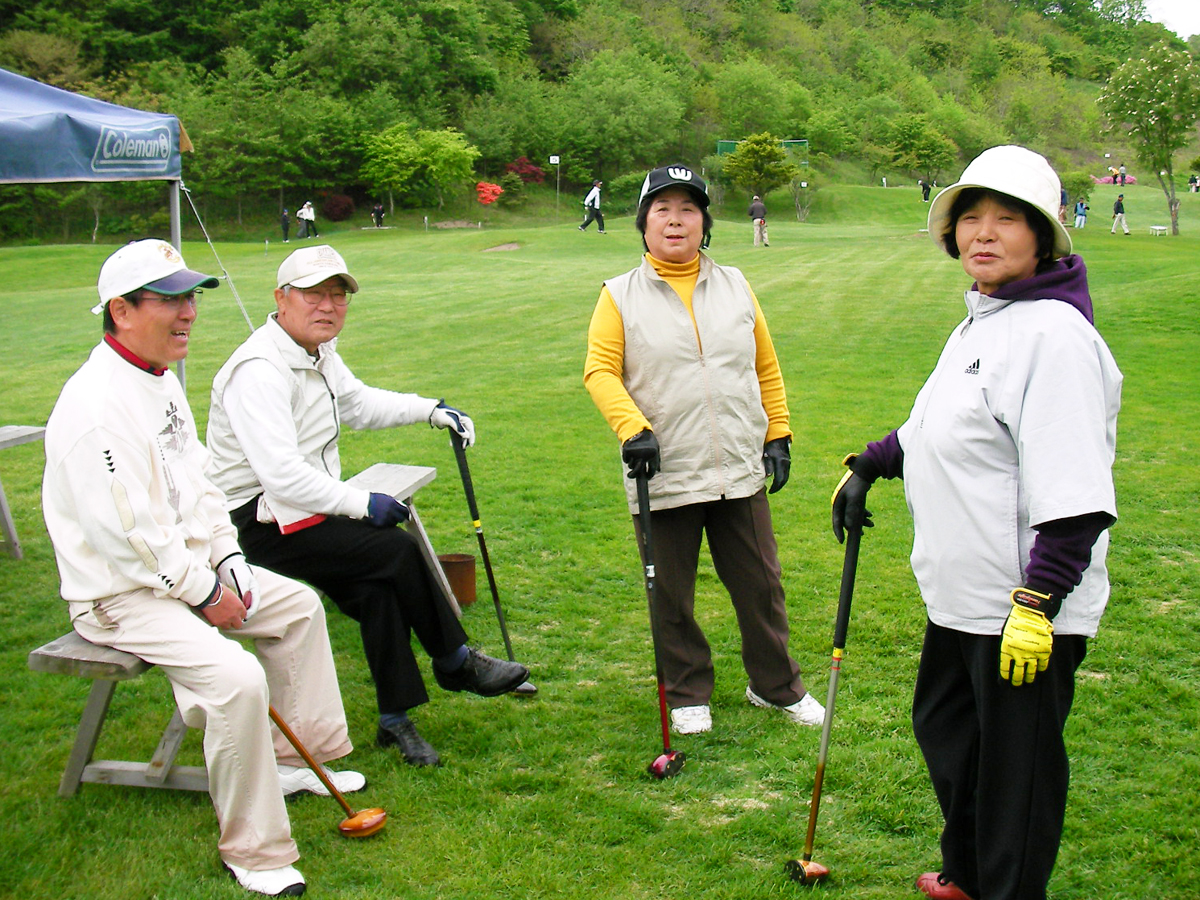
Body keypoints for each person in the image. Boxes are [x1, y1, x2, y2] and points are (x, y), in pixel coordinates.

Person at [830, 145, 1121, 900]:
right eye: (971, 218)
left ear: (1043, 236)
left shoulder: (1054, 336)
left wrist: (1037, 603)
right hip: (960, 597)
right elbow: (941, 424)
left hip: (1019, 608)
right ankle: (966, 874)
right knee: (951, 736)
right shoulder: (985, 320)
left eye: (1007, 219)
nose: (983, 233)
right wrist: (871, 464)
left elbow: (1076, 495)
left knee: (1015, 779)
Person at [42, 239, 365, 897]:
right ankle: (256, 852)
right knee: (234, 678)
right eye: (170, 300)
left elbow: (200, 483)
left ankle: (293, 759)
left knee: (297, 607)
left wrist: (228, 556)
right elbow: (128, 537)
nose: (188, 312)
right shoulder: (97, 406)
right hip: (119, 596)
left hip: (185, 570)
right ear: (121, 311)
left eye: (190, 298)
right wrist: (205, 591)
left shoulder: (157, 377)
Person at [206, 244, 529, 769]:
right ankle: (455, 662)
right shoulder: (259, 370)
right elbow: (280, 474)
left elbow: (356, 404)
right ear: (281, 299)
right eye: (313, 294)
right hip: (250, 525)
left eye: (338, 295)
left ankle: (394, 719)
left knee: (377, 585)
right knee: (394, 551)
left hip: (298, 510)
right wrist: (361, 503)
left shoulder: (317, 352)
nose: (328, 306)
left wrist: (431, 410)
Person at [584, 165, 824, 736]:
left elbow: (764, 365)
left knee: (761, 586)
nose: (676, 220)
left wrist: (778, 432)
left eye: (688, 209)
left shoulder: (736, 284)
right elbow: (600, 371)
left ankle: (776, 685)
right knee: (671, 593)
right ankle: (688, 691)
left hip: (737, 463)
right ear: (644, 222)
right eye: (662, 209)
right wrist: (632, 428)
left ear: (704, 222)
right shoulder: (618, 295)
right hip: (664, 465)